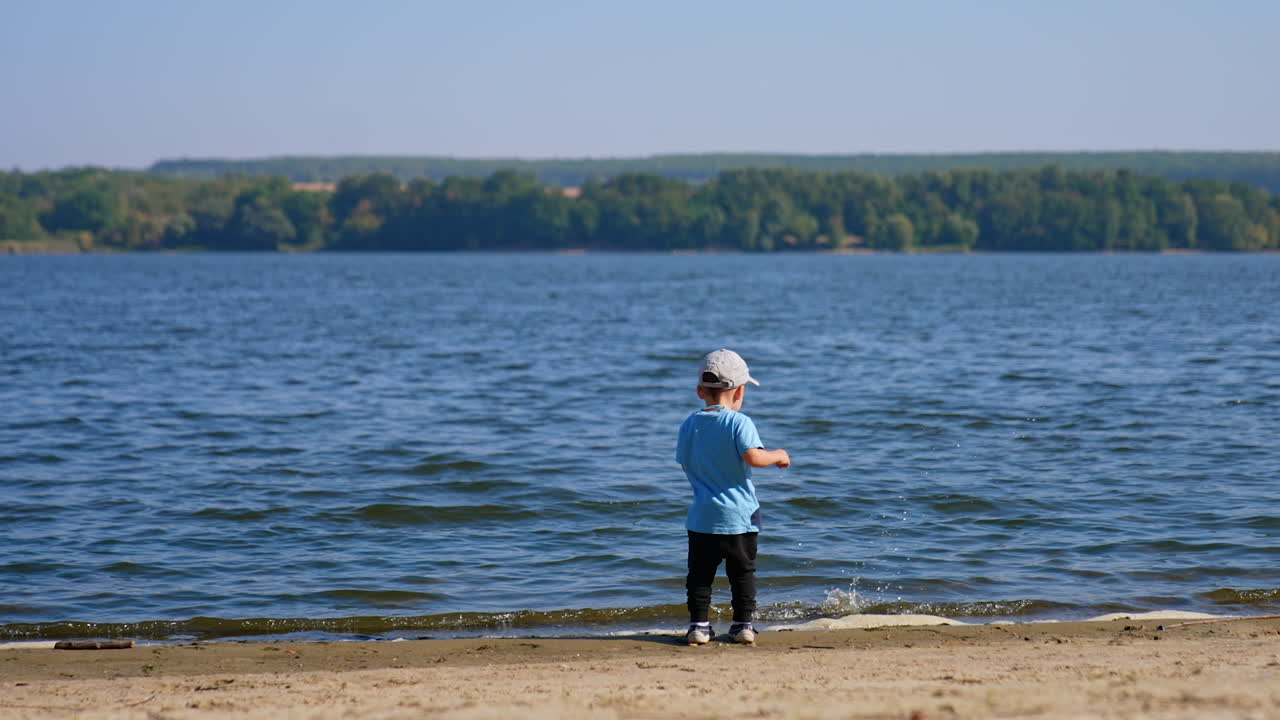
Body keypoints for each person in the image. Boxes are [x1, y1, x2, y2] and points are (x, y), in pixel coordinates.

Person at [676, 349, 790, 646]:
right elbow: (753, 457)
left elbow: (685, 463)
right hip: (740, 515)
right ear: (740, 391)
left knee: (699, 576)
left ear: (701, 390)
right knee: (743, 573)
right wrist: (777, 455)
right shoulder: (740, 423)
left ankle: (698, 626)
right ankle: (743, 625)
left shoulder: (689, 424)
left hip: (701, 517)